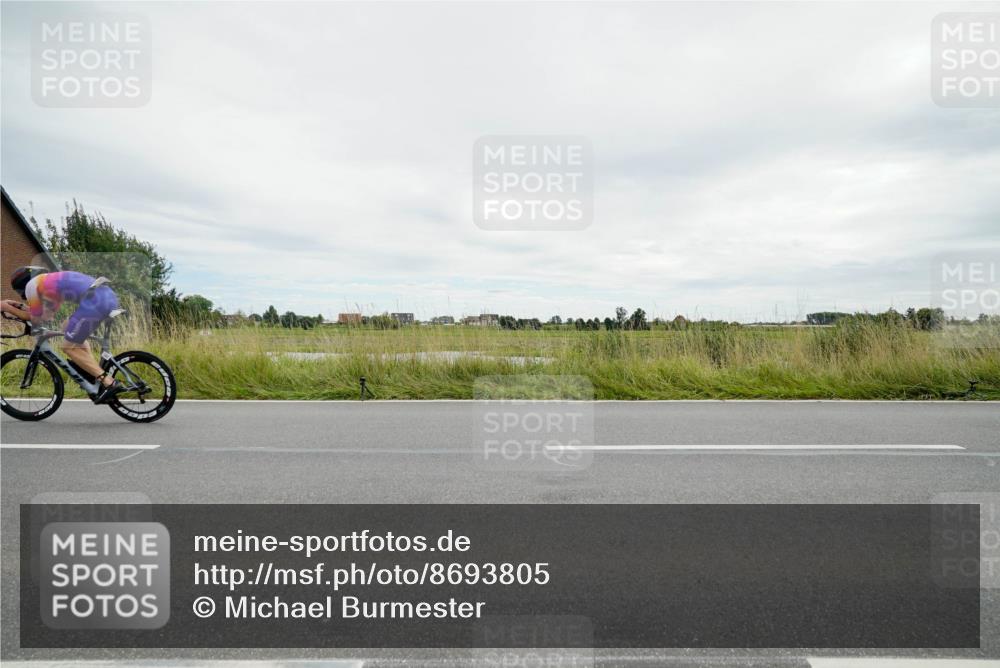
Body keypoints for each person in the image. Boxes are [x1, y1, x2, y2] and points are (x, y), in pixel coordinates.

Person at [4, 266, 125, 403]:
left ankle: (108, 382)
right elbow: (46, 315)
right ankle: (92, 374)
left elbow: (36, 319)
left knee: (68, 347)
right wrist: (18, 307)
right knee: (66, 327)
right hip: (106, 296)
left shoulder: (32, 285)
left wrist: (5, 307)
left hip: (95, 301)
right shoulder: (48, 281)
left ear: (21, 286)